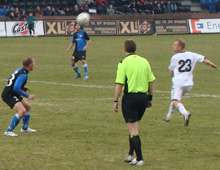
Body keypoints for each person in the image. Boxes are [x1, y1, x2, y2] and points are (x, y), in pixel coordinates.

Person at [114, 40, 156, 166]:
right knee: (134, 126)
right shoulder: (144, 61)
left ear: (125, 49)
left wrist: (115, 100)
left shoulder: (123, 63)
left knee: (133, 130)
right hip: (143, 98)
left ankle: (140, 158)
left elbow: (120, 84)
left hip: (130, 98)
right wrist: (150, 98)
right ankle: (130, 154)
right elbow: (151, 81)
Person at [164, 39, 217, 126]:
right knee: (175, 99)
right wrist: (212, 64)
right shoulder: (192, 55)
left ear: (180, 47)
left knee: (175, 101)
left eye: (175, 45)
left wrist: (172, 72)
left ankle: (185, 113)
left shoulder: (175, 57)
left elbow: (171, 72)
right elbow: (204, 60)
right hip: (188, 84)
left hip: (178, 83)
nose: (173, 47)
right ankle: (168, 117)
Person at [2, 57, 36, 137]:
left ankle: (24, 128)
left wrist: (22, 88)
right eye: (33, 63)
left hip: (13, 93)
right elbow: (16, 88)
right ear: (30, 65)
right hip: (8, 95)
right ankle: (8, 131)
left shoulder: (20, 70)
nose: (34, 65)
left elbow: (14, 82)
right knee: (22, 110)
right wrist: (28, 96)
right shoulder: (23, 74)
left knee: (27, 106)